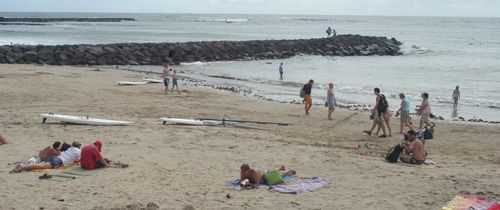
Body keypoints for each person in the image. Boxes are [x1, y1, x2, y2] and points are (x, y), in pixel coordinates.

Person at [11, 142, 82, 173]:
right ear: (79, 146)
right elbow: (77, 161)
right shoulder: (78, 151)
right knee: (40, 166)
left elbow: (62, 142)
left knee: (39, 164)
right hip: (58, 161)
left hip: (55, 158)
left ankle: (23, 165)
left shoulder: (70, 148)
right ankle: (22, 166)